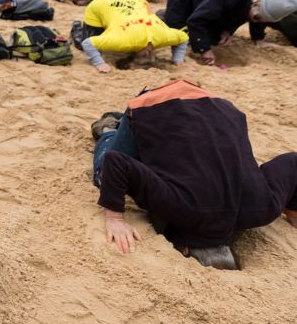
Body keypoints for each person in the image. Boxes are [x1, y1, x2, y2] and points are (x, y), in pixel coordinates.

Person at [92, 79, 297, 269]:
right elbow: (115, 162)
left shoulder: (262, 210)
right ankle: (109, 130)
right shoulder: (176, 206)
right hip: (154, 103)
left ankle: (116, 127)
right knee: (103, 177)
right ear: (185, 249)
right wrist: (115, 219)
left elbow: (292, 161)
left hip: (217, 106)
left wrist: (290, 209)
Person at [162, 0, 297, 65]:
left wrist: (230, 31)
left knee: (215, 39)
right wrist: (204, 50)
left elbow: (254, 14)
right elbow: (196, 20)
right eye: (256, 18)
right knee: (184, 38)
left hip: (218, 7)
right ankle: (163, 16)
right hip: (185, 2)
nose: (256, 22)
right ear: (256, 4)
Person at [78, 0, 187, 73]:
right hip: (100, 4)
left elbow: (183, 37)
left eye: (144, 56)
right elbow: (87, 43)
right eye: (147, 55)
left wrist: (177, 58)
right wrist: (99, 63)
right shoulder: (124, 42)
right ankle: (76, 28)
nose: (148, 54)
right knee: (82, 42)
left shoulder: (163, 37)